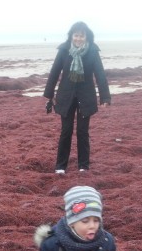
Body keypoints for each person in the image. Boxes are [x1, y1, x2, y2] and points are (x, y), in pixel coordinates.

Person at [43, 21, 111, 174]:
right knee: (66, 130)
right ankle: (61, 166)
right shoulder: (63, 50)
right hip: (66, 95)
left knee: (82, 131)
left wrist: (105, 97)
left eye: (82, 36)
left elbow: (100, 75)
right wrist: (49, 94)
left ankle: (83, 166)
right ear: (71, 36)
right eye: (76, 35)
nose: (78, 38)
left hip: (85, 96)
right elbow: (54, 72)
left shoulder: (92, 51)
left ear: (86, 37)